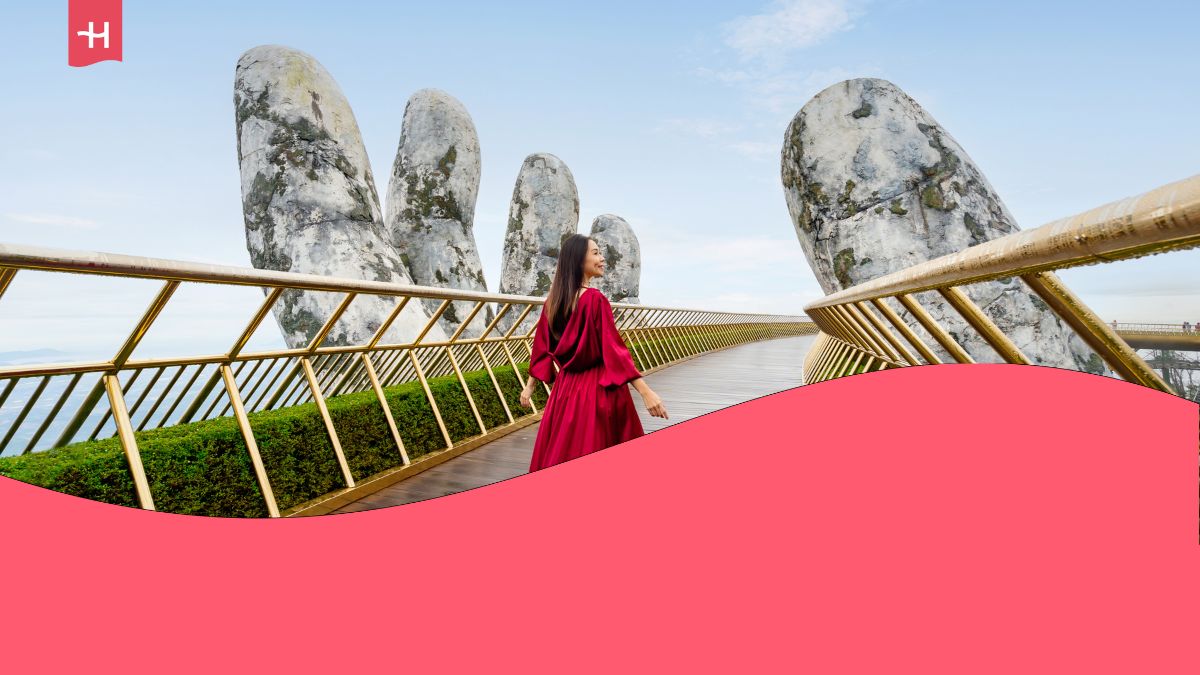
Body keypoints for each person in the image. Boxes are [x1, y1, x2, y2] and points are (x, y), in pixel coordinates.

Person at [519, 234, 668, 472]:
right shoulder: (595, 300)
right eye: (596, 253)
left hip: (565, 392)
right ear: (579, 260)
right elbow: (615, 352)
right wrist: (646, 392)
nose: (602, 258)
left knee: (564, 451)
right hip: (597, 390)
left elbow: (541, 347)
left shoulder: (553, 301)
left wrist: (530, 386)